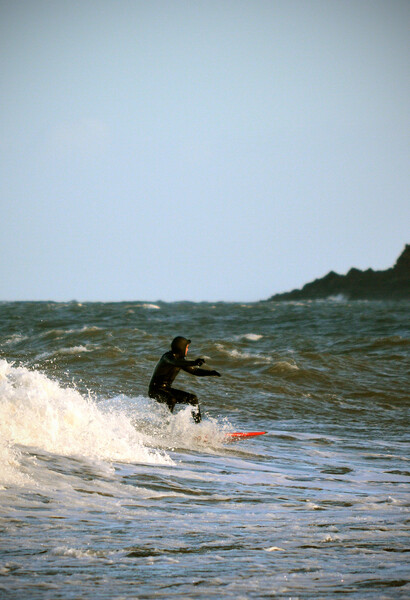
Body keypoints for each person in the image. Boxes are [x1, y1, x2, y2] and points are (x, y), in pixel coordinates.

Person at [148, 336, 221, 423]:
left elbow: (195, 371)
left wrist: (211, 372)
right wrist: (194, 362)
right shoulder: (167, 357)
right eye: (186, 347)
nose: (187, 350)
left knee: (192, 399)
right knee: (171, 399)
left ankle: (198, 426)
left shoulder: (181, 360)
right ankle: (165, 425)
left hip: (166, 389)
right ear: (181, 348)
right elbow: (174, 362)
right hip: (155, 390)